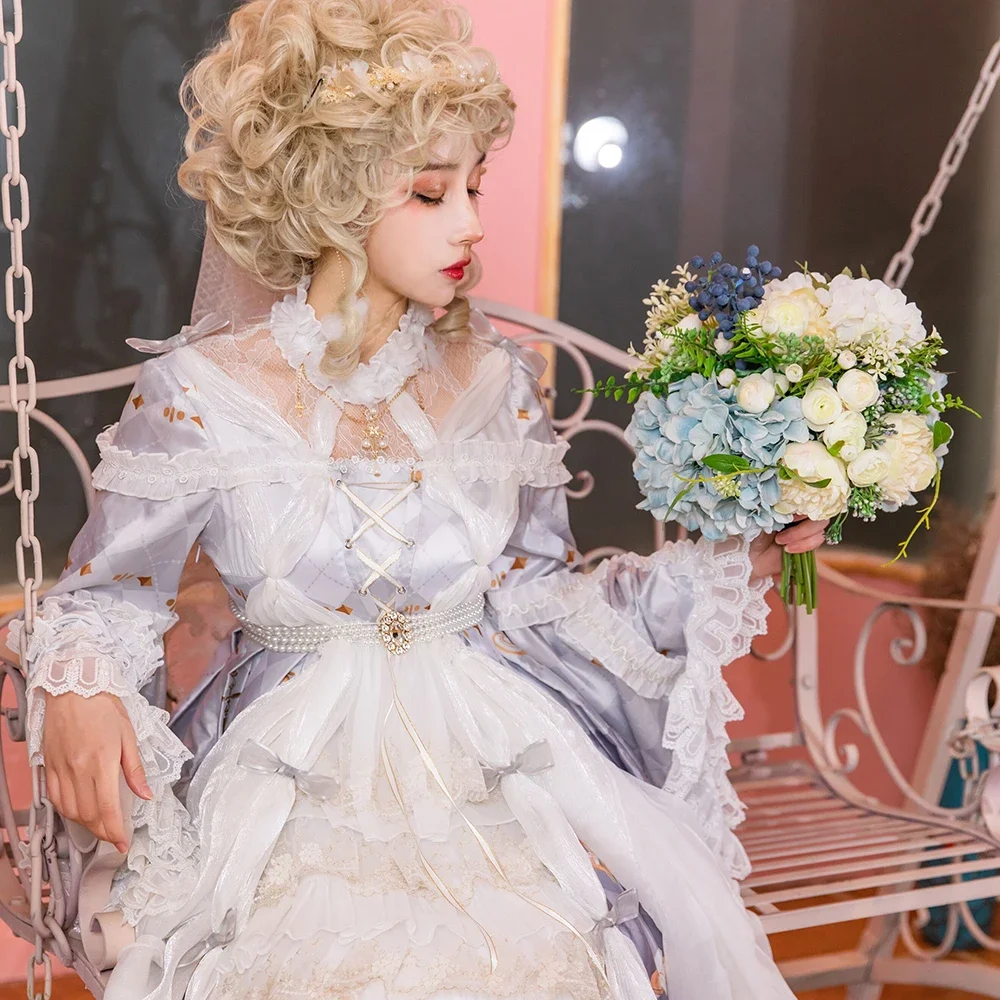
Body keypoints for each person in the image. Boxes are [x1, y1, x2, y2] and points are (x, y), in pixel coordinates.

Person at [8, 1, 827, 997]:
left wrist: (731, 556)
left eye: (475, 186)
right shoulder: (202, 393)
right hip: (289, 772)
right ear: (330, 193)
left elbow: (539, 601)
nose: (472, 223)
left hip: (492, 756)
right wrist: (79, 683)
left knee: (542, 959)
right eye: (431, 191)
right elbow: (105, 594)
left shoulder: (495, 383)